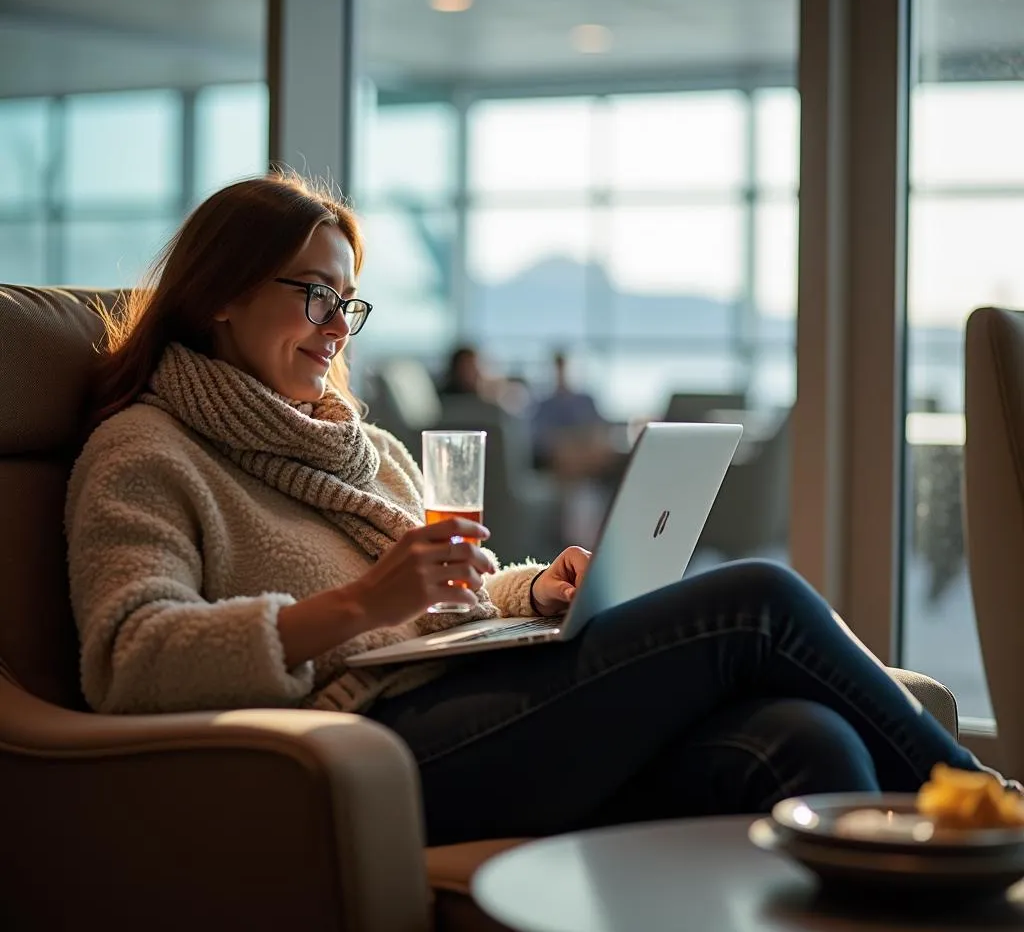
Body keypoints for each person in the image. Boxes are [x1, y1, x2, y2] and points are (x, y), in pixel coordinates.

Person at [66, 172, 1010, 849]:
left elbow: (443, 602)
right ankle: (998, 809)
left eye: (347, 306)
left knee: (807, 742)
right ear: (222, 293)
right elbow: (129, 656)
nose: (332, 330)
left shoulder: (356, 443)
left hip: (458, 706)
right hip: (359, 749)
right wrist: (357, 607)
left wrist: (531, 593)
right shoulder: (146, 451)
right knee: (752, 600)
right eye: (315, 294)